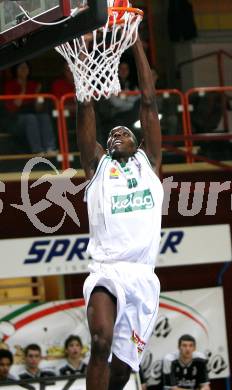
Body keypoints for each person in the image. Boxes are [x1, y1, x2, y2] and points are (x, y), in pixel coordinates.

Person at [77, 32, 163, 390]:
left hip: (142, 276)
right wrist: (83, 72)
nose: (116, 135)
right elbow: (86, 114)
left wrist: (135, 40)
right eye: (111, 134)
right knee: (100, 342)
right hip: (106, 271)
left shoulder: (151, 162)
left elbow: (147, 99)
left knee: (123, 372)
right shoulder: (98, 166)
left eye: (123, 131)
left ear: (136, 140)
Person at [4, 62, 56, 154]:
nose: (24, 70)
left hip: (33, 113)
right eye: (21, 68)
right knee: (31, 118)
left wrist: (36, 94)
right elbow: (16, 105)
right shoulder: (10, 85)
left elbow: (38, 108)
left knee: (44, 117)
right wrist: (23, 88)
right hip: (16, 119)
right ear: (15, 70)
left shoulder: (34, 85)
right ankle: (37, 150)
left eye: (26, 68)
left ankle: (50, 147)